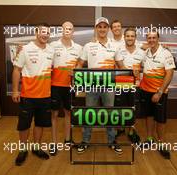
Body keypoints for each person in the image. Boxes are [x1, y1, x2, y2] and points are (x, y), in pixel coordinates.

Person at [76, 17, 123, 154]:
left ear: (108, 29)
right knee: (89, 113)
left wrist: (132, 73)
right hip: (92, 84)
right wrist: (76, 75)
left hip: (109, 85)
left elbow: (121, 66)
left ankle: (112, 140)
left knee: (109, 113)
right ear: (95, 28)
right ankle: (85, 141)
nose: (102, 29)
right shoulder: (88, 46)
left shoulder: (115, 46)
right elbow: (79, 64)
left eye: (104, 27)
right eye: (99, 26)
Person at [12, 23, 54, 166]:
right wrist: (16, 90)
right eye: (42, 32)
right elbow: (17, 70)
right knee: (24, 125)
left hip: (45, 95)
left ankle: (36, 147)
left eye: (47, 32)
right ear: (36, 32)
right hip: (27, 95)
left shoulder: (51, 50)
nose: (45, 34)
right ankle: (23, 150)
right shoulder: (26, 49)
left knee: (40, 124)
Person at [139, 30, 175, 159]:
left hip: (159, 92)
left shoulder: (166, 53)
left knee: (160, 119)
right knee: (148, 115)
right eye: (149, 38)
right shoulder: (146, 52)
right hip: (145, 90)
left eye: (154, 37)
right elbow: (131, 45)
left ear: (158, 38)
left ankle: (161, 143)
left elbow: (170, 74)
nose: (151, 40)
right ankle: (149, 139)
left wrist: (159, 92)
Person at [49, 21, 82, 156]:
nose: (67, 31)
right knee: (54, 114)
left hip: (70, 86)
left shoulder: (78, 48)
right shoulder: (52, 46)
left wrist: (77, 70)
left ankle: (68, 140)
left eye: (70, 29)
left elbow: (80, 64)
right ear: (61, 30)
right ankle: (54, 143)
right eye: (64, 28)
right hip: (55, 85)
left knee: (69, 113)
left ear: (73, 31)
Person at [115, 27, 145, 144]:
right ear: (124, 37)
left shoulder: (142, 53)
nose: (130, 38)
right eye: (128, 36)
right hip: (121, 85)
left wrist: (140, 70)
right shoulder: (118, 50)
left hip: (135, 86)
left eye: (132, 36)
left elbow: (145, 67)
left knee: (133, 109)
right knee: (120, 109)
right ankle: (121, 129)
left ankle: (132, 131)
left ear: (135, 38)